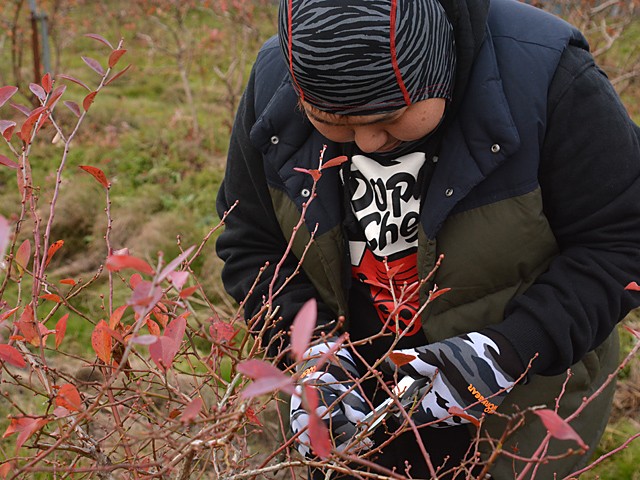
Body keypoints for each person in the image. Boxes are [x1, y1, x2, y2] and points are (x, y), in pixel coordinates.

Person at [216, 0, 640, 477]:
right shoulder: (278, 78)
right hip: (352, 408)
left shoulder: (547, 77)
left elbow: (621, 241)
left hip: (519, 399)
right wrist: (309, 352)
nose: (366, 143)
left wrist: (506, 352)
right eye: (332, 120)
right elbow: (251, 242)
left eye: (390, 117)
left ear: (439, 74)